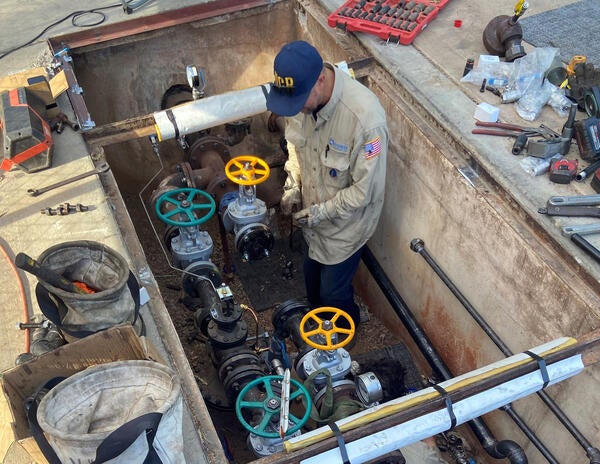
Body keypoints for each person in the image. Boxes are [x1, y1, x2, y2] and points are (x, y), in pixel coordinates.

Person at [266, 40, 388, 328]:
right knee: (312, 285)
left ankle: (345, 338)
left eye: (298, 101)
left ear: (320, 80)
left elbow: (365, 192)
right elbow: (296, 147)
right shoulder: (301, 100)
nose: (295, 109)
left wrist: (322, 212)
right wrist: (293, 183)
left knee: (333, 295)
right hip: (314, 223)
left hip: (346, 227)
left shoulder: (365, 121)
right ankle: (320, 330)